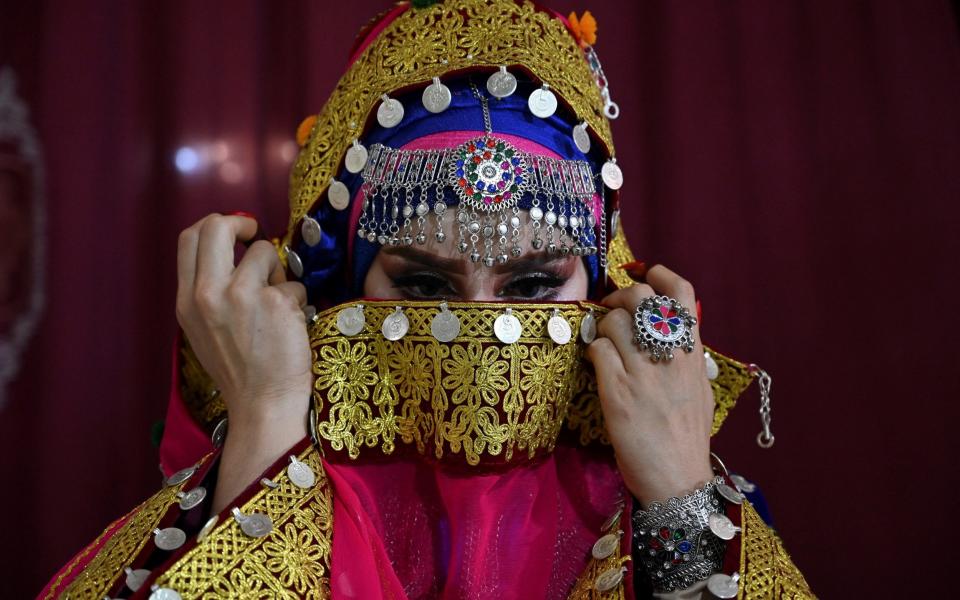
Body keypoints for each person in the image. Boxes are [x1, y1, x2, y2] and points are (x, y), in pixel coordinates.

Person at [41, 1, 813, 598]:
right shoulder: (260, 459)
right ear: (340, 286)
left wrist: (678, 497)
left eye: (535, 286)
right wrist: (268, 428)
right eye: (422, 285)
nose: (482, 332)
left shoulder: (655, 491)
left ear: (608, 286)